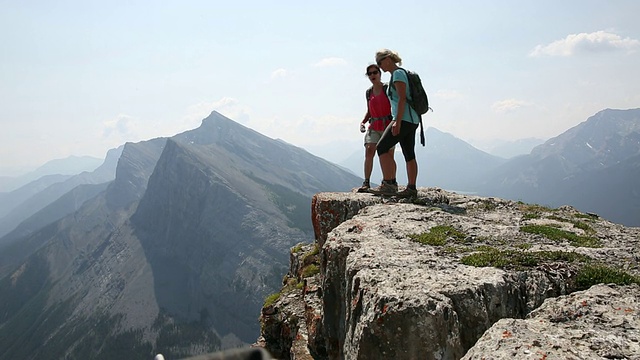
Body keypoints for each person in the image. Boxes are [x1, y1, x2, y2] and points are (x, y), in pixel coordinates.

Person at [369, 49, 420, 198]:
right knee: (409, 154)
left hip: (402, 119)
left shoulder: (397, 74)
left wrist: (396, 122)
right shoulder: (400, 73)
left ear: (388, 59)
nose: (379, 66)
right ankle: (411, 188)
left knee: (382, 147)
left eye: (380, 62)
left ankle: (389, 184)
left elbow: (402, 98)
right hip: (412, 119)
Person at [357, 64, 396, 192]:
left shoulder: (387, 89)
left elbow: (395, 105)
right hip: (374, 126)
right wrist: (363, 122)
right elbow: (369, 110)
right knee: (369, 150)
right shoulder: (369, 92)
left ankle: (391, 181)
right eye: (370, 74)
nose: (373, 75)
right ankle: (366, 182)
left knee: (388, 155)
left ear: (380, 74)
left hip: (388, 126)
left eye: (375, 72)